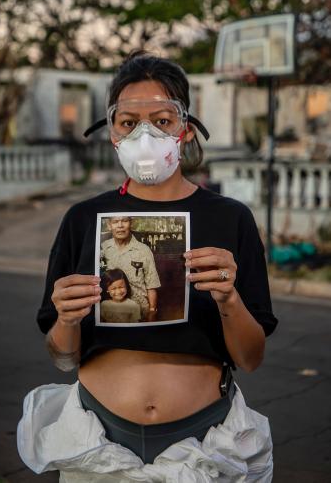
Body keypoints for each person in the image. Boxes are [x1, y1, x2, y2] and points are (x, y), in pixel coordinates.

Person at [17, 51, 278, 482]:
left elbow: (250, 359)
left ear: (186, 128)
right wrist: (65, 318)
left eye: (162, 120)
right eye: (128, 122)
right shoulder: (83, 221)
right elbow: (63, 358)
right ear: (112, 133)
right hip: (97, 438)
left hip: (204, 441)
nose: (145, 134)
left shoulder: (230, 219)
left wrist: (229, 299)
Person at [101, 216, 161, 321]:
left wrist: (152, 311)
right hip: (112, 313)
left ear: (131, 223)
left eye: (124, 221)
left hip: (140, 312)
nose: (120, 226)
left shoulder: (143, 250)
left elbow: (152, 284)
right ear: (109, 225)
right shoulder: (103, 248)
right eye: (115, 222)